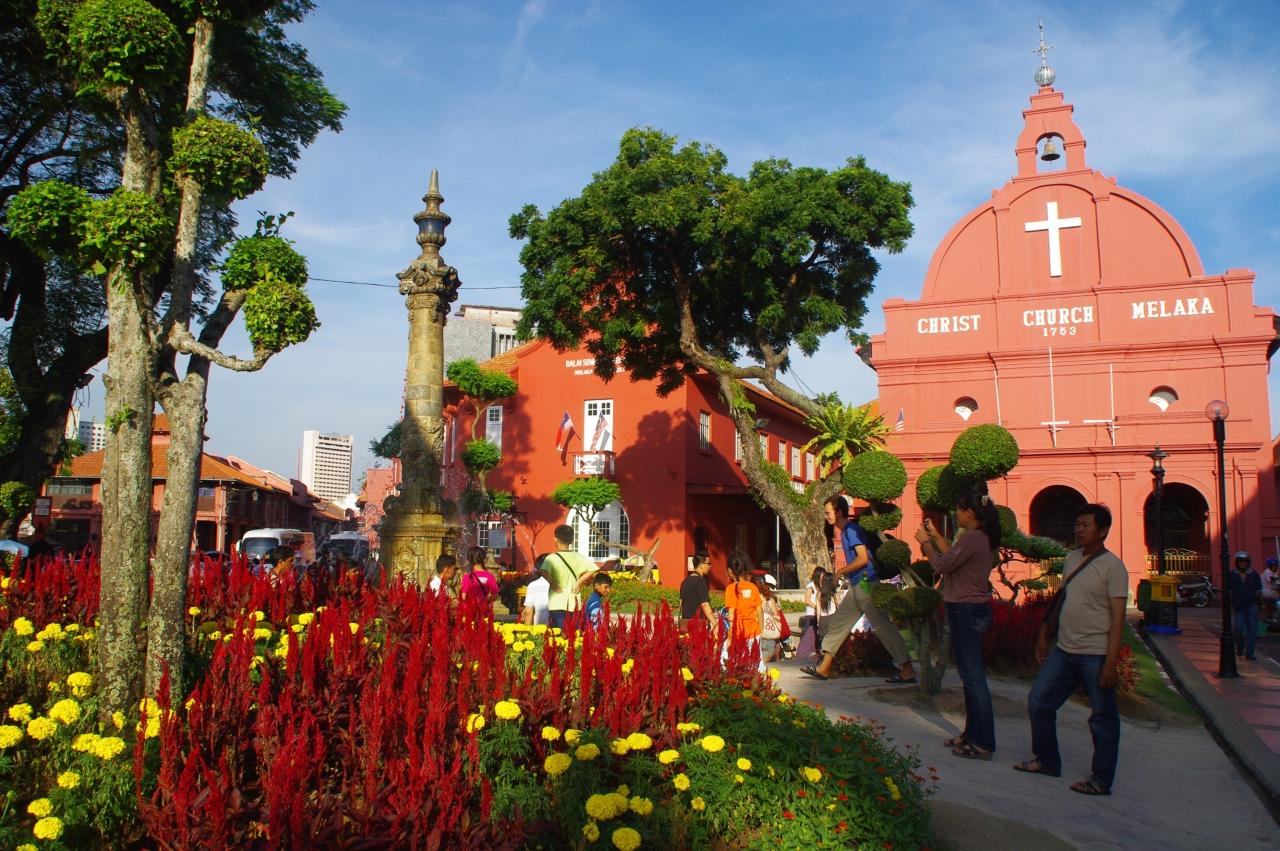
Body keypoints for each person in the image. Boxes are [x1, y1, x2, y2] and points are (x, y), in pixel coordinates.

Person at [1015, 503, 1128, 796]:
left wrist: (1110, 663)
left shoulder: (1113, 567)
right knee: (1039, 702)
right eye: (1077, 524)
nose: (1079, 530)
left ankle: (1101, 779)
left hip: (1095, 652)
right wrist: (1044, 632)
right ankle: (1047, 760)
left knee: (1102, 719)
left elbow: (1118, 618)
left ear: (1103, 530)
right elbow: (1062, 598)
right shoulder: (1072, 558)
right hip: (1065, 650)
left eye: (1086, 525)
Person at [915, 486, 1001, 761]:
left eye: (959, 509)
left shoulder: (973, 537)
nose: (956, 513)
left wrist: (925, 543)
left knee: (973, 677)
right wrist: (937, 536)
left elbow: (942, 566)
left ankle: (982, 741)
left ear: (969, 513)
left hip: (966, 609)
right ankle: (972, 734)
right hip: (971, 609)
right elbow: (953, 556)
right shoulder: (979, 537)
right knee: (970, 676)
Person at [802, 496, 915, 684]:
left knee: (883, 627)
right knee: (839, 623)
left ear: (838, 512)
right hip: (858, 585)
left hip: (865, 583)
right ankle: (824, 668)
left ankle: (907, 669)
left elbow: (863, 558)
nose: (826, 516)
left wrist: (841, 572)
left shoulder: (851, 531)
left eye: (828, 512)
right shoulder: (846, 531)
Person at [540, 524, 599, 630]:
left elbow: (543, 571)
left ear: (555, 539)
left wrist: (553, 584)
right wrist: (579, 582)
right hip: (574, 600)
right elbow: (594, 568)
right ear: (572, 540)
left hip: (556, 601)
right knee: (573, 632)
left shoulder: (551, 558)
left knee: (557, 633)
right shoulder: (579, 557)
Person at [722, 558, 765, 672]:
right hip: (754, 631)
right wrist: (761, 629)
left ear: (730, 571)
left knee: (736, 665)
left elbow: (731, 613)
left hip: (738, 632)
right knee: (757, 663)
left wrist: (730, 636)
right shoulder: (753, 587)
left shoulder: (731, 589)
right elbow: (759, 610)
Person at [1227, 551, 1262, 660]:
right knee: (1238, 628)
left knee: (1252, 629)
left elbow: (1258, 590)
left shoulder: (1254, 574)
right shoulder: (1232, 575)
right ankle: (1240, 647)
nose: (1243, 563)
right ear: (1237, 562)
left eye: (1245, 561)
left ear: (1248, 562)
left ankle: (1250, 653)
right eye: (1240, 561)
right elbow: (1229, 591)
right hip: (1238, 606)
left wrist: (1261, 605)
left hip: (1252, 604)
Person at [802, 566, 838, 659]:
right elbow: (807, 600)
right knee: (814, 635)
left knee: (821, 636)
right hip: (812, 613)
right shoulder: (811, 585)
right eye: (821, 575)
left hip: (821, 616)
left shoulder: (822, 588)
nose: (822, 577)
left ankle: (822, 655)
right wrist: (817, 608)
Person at [680, 552, 717, 634]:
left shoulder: (685, 582)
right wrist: (715, 624)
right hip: (698, 625)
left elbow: (681, 604)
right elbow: (705, 605)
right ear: (701, 565)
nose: (710, 566)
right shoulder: (701, 582)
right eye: (708, 563)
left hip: (685, 625)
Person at [521, 556, 551, 625]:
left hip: (538, 628)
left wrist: (527, 629)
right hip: (557, 628)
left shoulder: (533, 585)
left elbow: (528, 612)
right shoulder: (560, 585)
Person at [1262, 557, 1279, 625]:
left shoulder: (1275, 572)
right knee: (1273, 604)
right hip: (1267, 592)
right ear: (1270, 566)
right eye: (1273, 566)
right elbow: (1271, 580)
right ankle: (1271, 617)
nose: (1275, 567)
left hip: (1272, 591)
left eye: (1276, 565)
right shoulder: (1267, 572)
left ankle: (1273, 616)